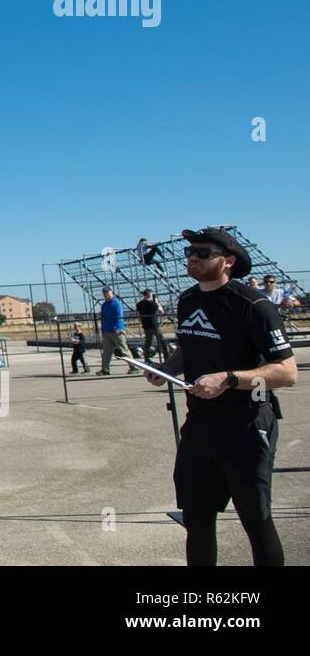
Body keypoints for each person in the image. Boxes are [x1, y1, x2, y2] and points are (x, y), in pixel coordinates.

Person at [144, 227, 296, 566]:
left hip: (246, 423)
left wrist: (228, 379)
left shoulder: (253, 305)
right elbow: (188, 345)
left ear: (227, 261)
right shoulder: (188, 300)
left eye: (202, 253)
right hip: (200, 423)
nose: (192, 258)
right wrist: (165, 368)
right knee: (197, 520)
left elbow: (286, 372)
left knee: (255, 520)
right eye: (189, 253)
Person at [96, 287, 131, 375]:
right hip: (107, 331)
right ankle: (105, 369)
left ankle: (133, 367)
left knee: (123, 349)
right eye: (104, 293)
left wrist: (117, 328)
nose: (106, 294)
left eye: (107, 292)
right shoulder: (104, 305)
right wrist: (103, 329)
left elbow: (119, 316)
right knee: (106, 352)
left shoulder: (116, 303)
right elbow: (103, 317)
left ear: (111, 293)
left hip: (117, 331)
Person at [136, 288, 168, 361]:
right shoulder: (153, 304)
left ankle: (146, 358)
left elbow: (138, 316)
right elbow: (161, 311)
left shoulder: (139, 304)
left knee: (148, 342)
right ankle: (167, 357)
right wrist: (157, 302)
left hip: (146, 326)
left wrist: (142, 323)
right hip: (154, 325)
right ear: (150, 294)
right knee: (162, 341)